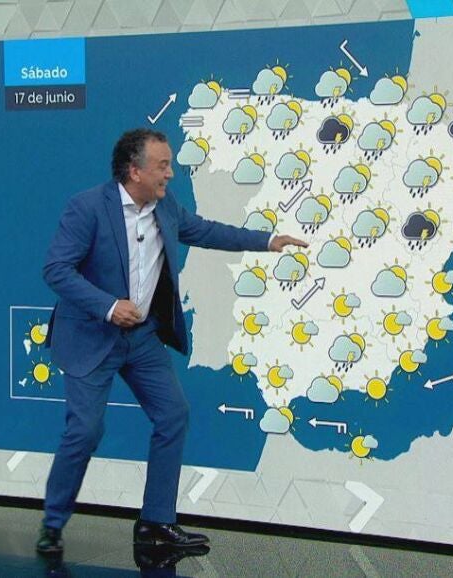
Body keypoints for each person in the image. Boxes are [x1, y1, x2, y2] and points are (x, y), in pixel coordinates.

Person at [36, 128, 307, 555]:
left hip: (142, 339)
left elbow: (208, 231)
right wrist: (109, 306)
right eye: (162, 165)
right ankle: (52, 525)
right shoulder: (87, 208)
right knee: (85, 431)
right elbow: (57, 270)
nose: (170, 173)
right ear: (135, 170)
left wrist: (268, 241)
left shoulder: (165, 207)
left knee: (173, 414)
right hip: (91, 336)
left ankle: (155, 523)